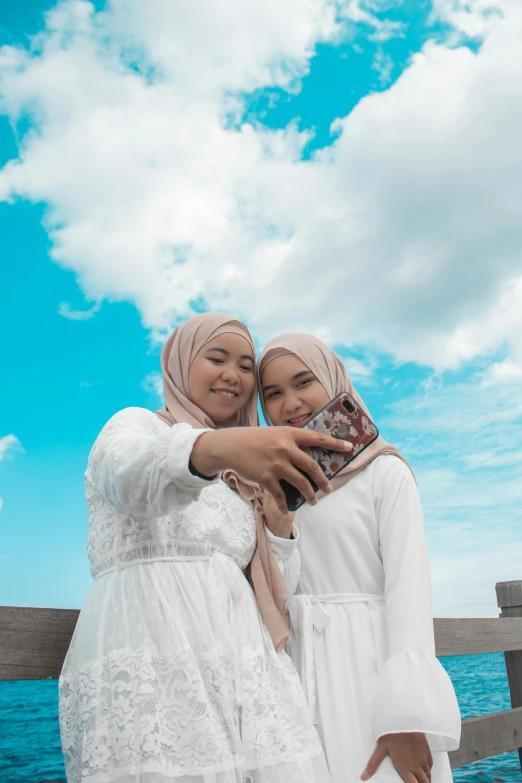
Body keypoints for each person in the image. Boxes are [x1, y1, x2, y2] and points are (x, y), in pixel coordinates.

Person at [59, 313, 349, 783]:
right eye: (217, 358)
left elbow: (272, 591)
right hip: (158, 657)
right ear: (180, 364)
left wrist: (278, 527)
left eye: (245, 366)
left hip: (242, 666)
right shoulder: (139, 426)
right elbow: (125, 475)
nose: (232, 374)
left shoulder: (243, 481)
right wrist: (215, 448)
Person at [258, 333, 461, 783]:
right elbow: (280, 592)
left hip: (370, 671)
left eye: (303, 382)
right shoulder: (275, 485)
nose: (290, 403)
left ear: (333, 382)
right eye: (272, 394)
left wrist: (404, 717)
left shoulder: (384, 472)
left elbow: (408, 594)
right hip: (301, 674)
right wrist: (278, 524)